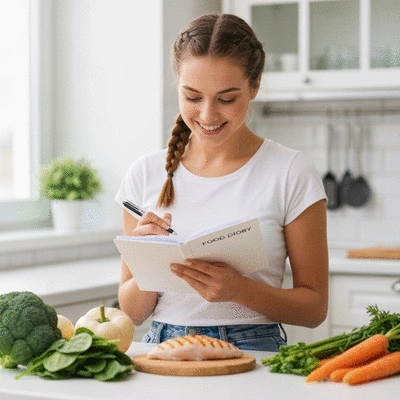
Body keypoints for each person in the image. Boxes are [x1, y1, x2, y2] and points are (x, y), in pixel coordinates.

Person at [115, 13, 328, 351]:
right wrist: (149, 261)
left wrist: (238, 290)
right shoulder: (144, 173)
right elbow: (132, 312)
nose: (208, 115)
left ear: (254, 86)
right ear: (178, 87)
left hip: (253, 349)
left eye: (226, 98)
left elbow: (315, 308)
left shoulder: (290, 171)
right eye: (193, 97)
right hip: (163, 347)